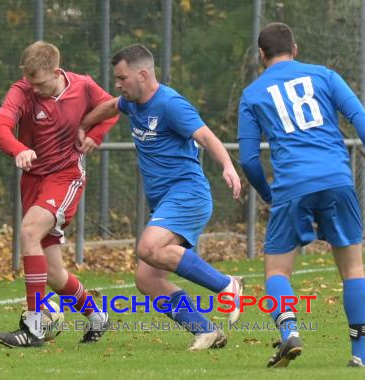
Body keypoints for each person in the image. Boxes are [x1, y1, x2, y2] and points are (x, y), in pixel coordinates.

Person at [238, 22, 365, 368]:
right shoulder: (324, 76)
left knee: (277, 269)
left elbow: (248, 158)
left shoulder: (253, 93)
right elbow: (358, 116)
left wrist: (268, 193)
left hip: (291, 185)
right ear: (296, 48)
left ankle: (289, 331)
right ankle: (359, 353)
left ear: (262, 56)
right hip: (336, 179)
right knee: (353, 269)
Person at [77, 44, 244, 351]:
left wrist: (228, 166)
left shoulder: (170, 104)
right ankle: (206, 331)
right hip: (167, 201)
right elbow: (111, 106)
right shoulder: (132, 102)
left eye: (122, 77)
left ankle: (227, 285)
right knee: (147, 279)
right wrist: (84, 124)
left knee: (148, 247)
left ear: (143, 74)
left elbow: (206, 136)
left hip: (188, 194)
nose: (117, 84)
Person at [0, 41, 119, 348]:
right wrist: (19, 148)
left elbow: (113, 107)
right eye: (29, 81)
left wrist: (95, 136)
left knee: (28, 231)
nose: (32, 89)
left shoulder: (83, 86)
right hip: (34, 182)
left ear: (55, 71)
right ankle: (97, 316)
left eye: (39, 82)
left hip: (65, 177)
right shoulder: (21, 90)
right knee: (53, 273)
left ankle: (34, 326)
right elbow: (0, 129)